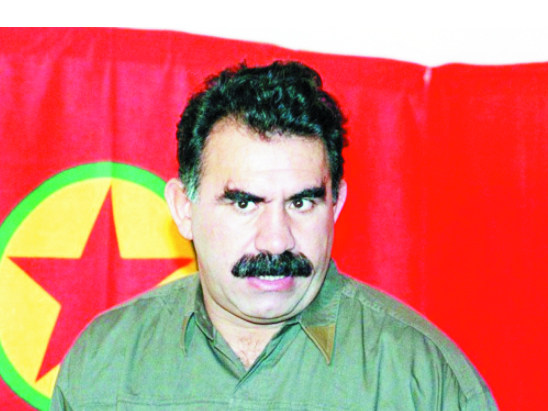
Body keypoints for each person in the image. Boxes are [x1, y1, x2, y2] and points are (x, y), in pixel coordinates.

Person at [51, 61, 498, 410]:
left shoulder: (422, 378)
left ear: (336, 204)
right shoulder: (104, 361)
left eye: (301, 203)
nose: (277, 241)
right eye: (245, 203)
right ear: (184, 209)